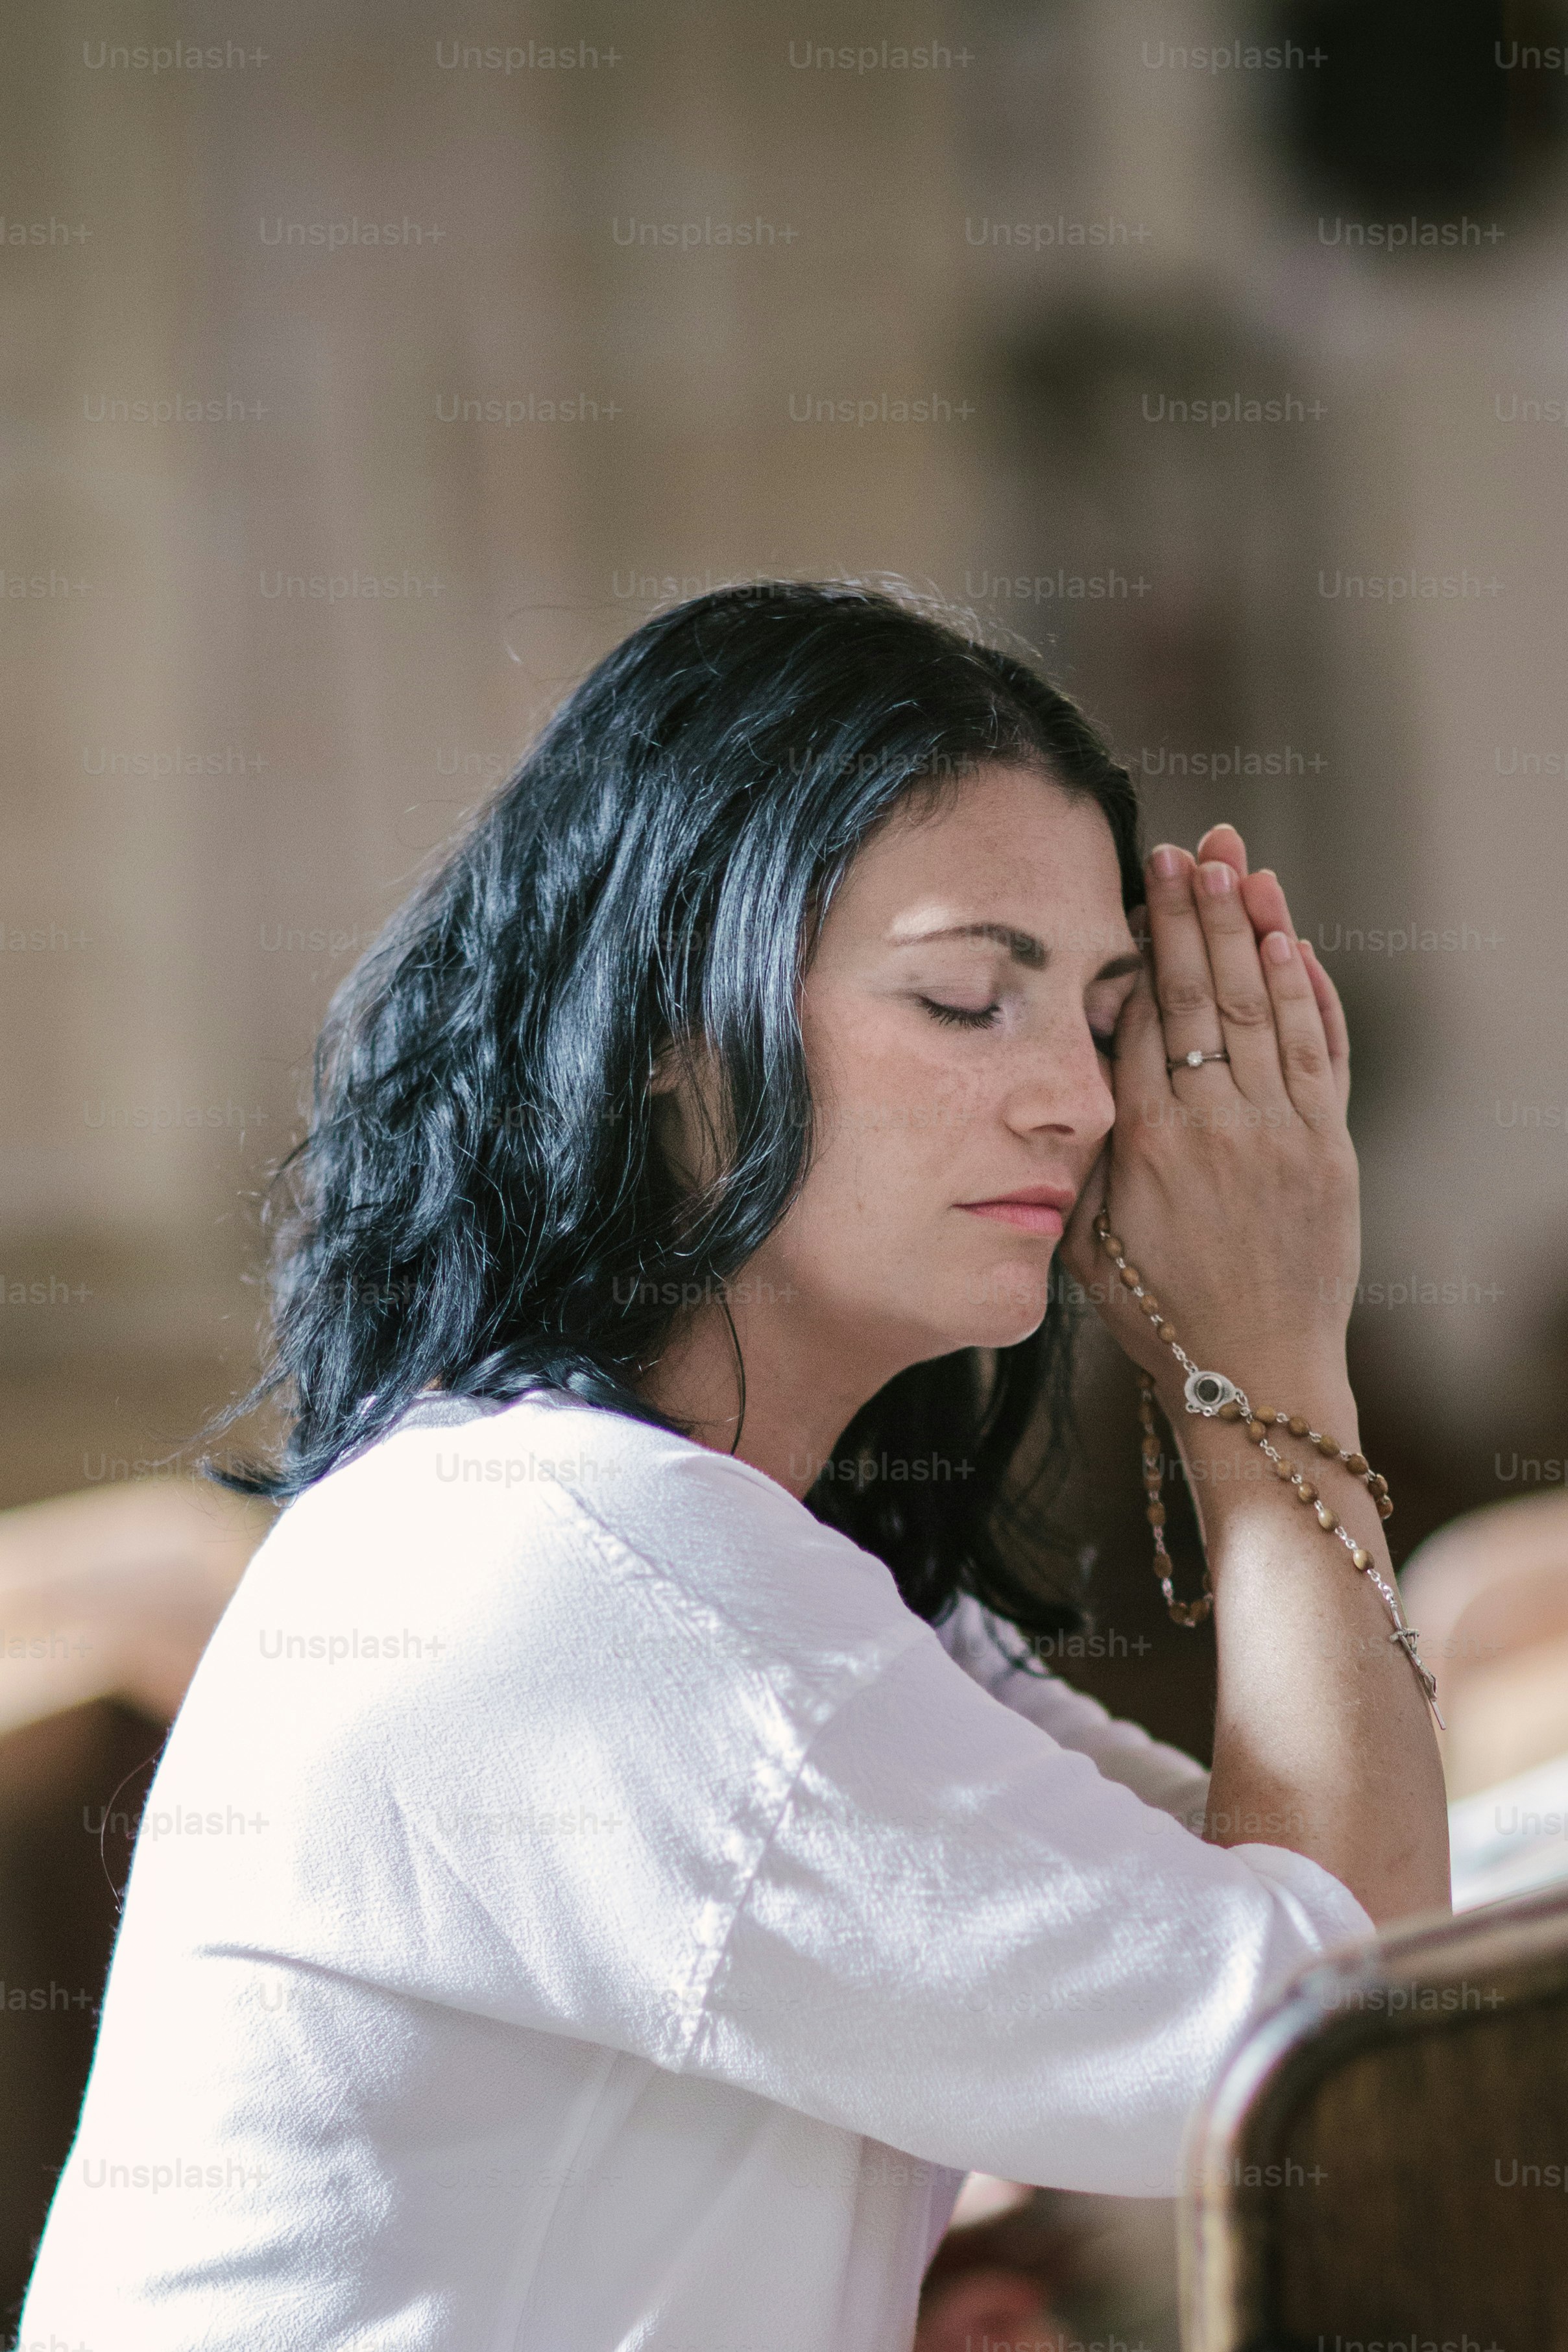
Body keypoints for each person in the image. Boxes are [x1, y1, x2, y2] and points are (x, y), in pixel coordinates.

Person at [20, 581, 1449, 2352]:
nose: (1080, 1103)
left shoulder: (714, 1552)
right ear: (664, 1038)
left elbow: (1295, 1918)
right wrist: (1267, 1358)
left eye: (1094, 1015)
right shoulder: (576, 1583)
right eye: (961, 999)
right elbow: (1343, 2065)